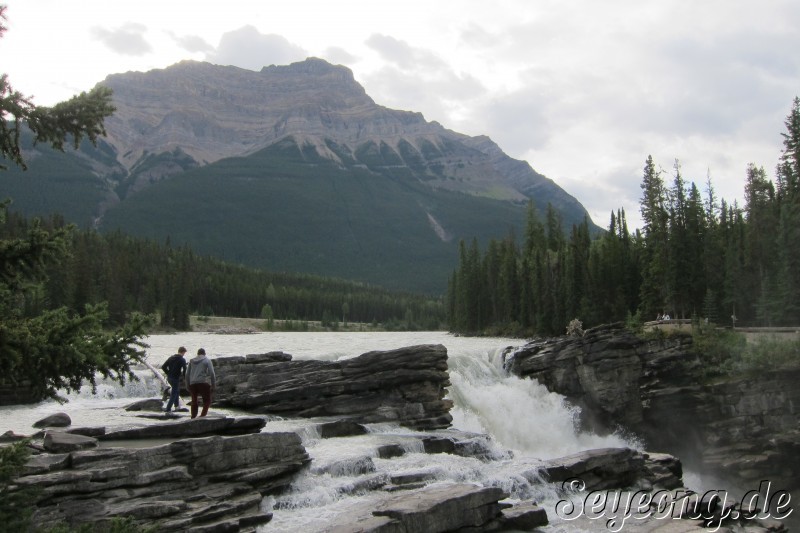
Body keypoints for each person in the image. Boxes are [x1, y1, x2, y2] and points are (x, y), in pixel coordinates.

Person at [186, 348, 216, 418]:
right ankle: (202, 416)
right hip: (202, 382)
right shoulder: (207, 360)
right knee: (207, 400)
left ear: (197, 354)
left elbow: (187, 374)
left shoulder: (191, 361)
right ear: (204, 353)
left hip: (192, 383)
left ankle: (193, 417)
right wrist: (213, 385)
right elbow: (212, 373)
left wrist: (187, 385)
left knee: (194, 401)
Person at [161, 346, 188, 412]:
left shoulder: (171, 358)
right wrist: (185, 378)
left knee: (177, 391)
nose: (184, 354)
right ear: (183, 352)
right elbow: (185, 370)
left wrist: (168, 373)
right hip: (175, 378)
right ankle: (168, 408)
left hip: (169, 378)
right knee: (174, 393)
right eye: (184, 353)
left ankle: (176, 406)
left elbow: (163, 367)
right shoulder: (182, 359)